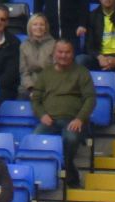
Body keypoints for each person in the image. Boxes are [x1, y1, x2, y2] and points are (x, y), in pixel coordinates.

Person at [32, 39, 95, 186]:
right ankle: (67, 173)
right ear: (54, 53)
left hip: (72, 120)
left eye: (67, 52)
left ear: (73, 54)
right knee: (35, 140)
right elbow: (35, 99)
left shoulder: (82, 72)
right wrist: (42, 115)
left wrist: (80, 118)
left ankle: (64, 172)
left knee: (71, 139)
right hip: (49, 121)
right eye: (60, 52)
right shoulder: (45, 74)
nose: (63, 55)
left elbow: (90, 99)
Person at [19, 13, 56, 100]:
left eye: (41, 25)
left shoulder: (55, 44)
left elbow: (56, 71)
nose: (38, 27)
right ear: (30, 27)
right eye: (35, 24)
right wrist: (31, 89)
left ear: (46, 28)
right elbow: (24, 72)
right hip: (29, 87)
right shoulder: (24, 45)